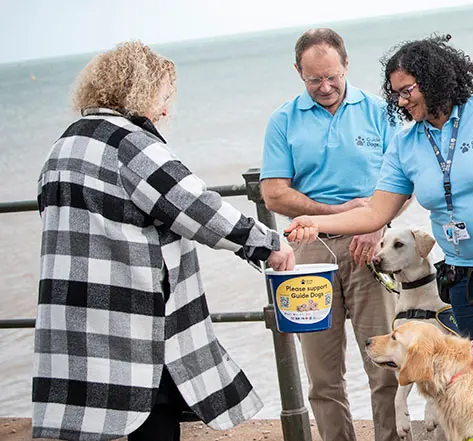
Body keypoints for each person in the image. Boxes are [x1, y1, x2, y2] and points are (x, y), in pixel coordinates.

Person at [33, 41, 294, 441]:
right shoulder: (128, 144)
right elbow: (196, 206)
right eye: (163, 96)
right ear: (138, 92)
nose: (166, 109)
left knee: (90, 421)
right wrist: (267, 243)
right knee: (150, 418)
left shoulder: (62, 146)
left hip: (71, 320)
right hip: (128, 321)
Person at [286, 35, 473, 352]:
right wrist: (314, 222)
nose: (401, 102)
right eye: (395, 94)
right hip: (467, 280)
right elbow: (375, 213)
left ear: (434, 81)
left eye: (407, 91)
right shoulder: (405, 144)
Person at [259, 28, 398, 441]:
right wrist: (336, 212)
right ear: (298, 72)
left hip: (372, 245)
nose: (325, 87)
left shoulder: (380, 111)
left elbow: (403, 179)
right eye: (313, 79)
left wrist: (375, 223)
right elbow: (273, 192)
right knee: (322, 375)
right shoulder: (283, 120)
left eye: (332, 76)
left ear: (346, 65)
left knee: (386, 365)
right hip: (310, 249)